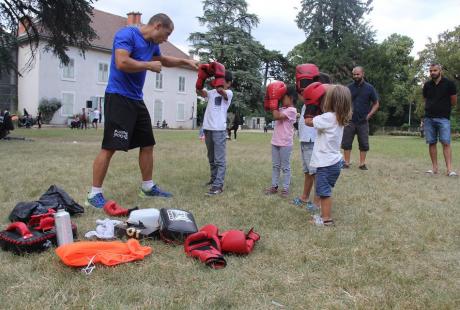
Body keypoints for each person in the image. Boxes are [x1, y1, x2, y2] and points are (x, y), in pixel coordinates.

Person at [86, 13, 199, 208]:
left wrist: (185, 62)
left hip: (136, 99)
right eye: (167, 33)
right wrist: (148, 65)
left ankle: (147, 187)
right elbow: (122, 62)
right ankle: (94, 194)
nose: (167, 38)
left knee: (147, 143)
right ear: (157, 26)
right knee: (110, 147)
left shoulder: (151, 44)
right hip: (119, 97)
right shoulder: (126, 35)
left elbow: (162, 59)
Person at [305, 85, 352, 226]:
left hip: (326, 164)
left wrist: (311, 103)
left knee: (324, 192)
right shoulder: (340, 117)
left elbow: (308, 122)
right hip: (334, 162)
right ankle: (323, 215)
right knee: (324, 190)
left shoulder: (328, 117)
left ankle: (326, 220)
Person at [197, 65, 233, 196]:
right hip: (208, 129)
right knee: (211, 157)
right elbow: (199, 91)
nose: (221, 82)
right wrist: (201, 78)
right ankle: (213, 179)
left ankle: (218, 185)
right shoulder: (211, 93)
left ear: (228, 83)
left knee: (219, 159)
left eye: (224, 80)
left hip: (219, 130)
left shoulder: (228, 93)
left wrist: (218, 78)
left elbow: (221, 91)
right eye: (220, 79)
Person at [341, 66, 379, 170]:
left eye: (358, 74)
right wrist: (345, 114)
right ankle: (346, 163)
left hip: (363, 121)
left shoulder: (370, 88)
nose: (355, 76)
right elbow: (343, 102)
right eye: (354, 74)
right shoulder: (348, 88)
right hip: (350, 120)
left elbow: (376, 104)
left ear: (363, 74)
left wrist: (369, 115)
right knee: (346, 142)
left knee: (363, 143)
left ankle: (362, 164)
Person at [423, 63, 458, 176]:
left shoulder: (449, 84)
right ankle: (434, 169)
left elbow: (453, 101)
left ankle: (449, 170)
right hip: (429, 118)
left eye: (435, 70)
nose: (432, 72)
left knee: (446, 143)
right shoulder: (427, 85)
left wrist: (443, 108)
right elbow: (425, 99)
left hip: (443, 118)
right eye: (431, 71)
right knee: (432, 143)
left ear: (440, 71)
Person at [264, 84, 298, 198]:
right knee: (275, 166)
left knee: (285, 167)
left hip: (285, 143)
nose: (281, 99)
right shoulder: (282, 108)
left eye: (283, 97)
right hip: (275, 141)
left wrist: (274, 102)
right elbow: (270, 109)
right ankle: (274, 186)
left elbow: (277, 116)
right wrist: (270, 99)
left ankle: (285, 188)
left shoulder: (292, 110)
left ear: (291, 98)